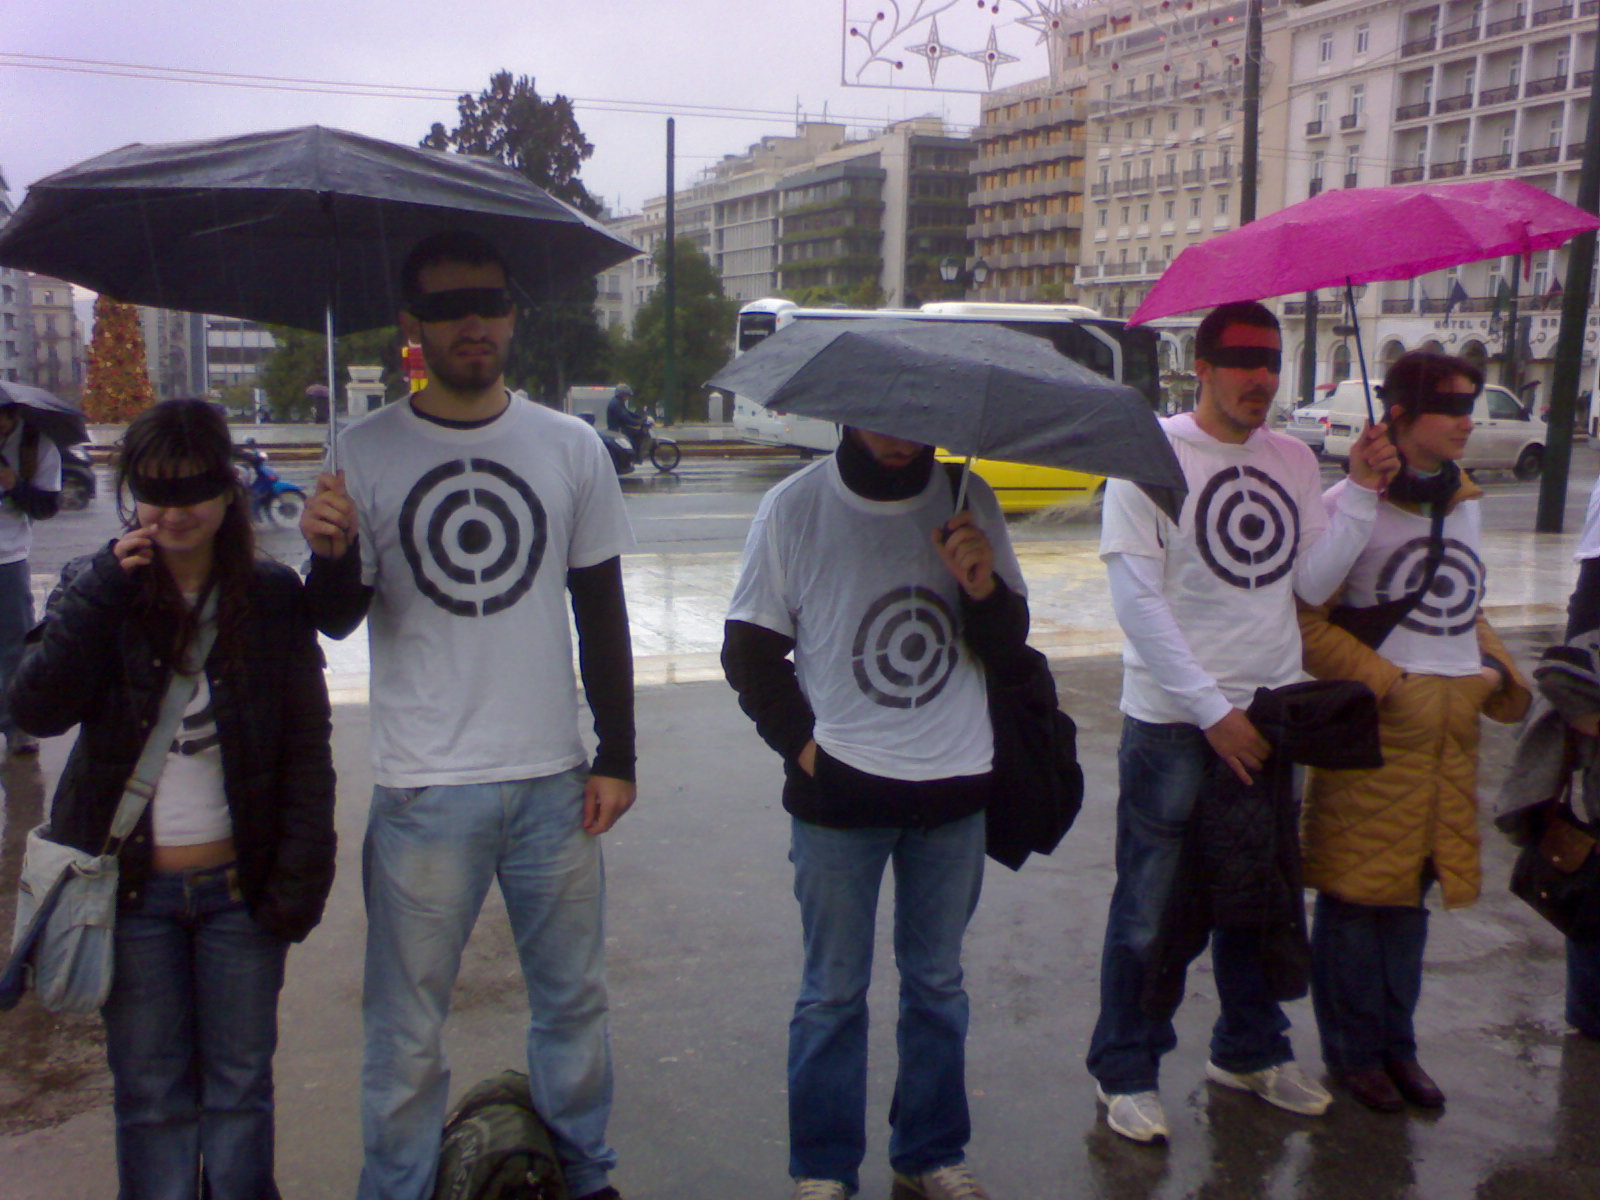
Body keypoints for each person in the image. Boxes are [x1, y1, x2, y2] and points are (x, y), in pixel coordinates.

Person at [299, 230, 636, 1200]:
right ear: (414, 325)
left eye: (488, 302)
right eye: (448, 308)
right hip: (423, 790)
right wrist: (329, 555)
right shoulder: (363, 452)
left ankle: (584, 1177)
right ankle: (396, 1188)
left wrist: (617, 753)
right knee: (404, 1031)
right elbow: (334, 619)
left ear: (512, 314)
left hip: (553, 782)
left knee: (573, 1008)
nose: (472, 323)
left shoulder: (570, 447)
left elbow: (601, 609)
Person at [1086, 301, 1401, 1143]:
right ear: (1202, 366)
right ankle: (1125, 1067)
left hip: (1271, 714)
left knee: (1259, 897)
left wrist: (1360, 492)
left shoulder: (1292, 458)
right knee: (1150, 907)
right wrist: (1211, 712)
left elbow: (1310, 582)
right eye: (1241, 360)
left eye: (1271, 359)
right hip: (1173, 723)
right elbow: (1138, 604)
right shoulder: (1148, 457)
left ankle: (1251, 1049)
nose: (1260, 376)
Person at [9, 398, 336, 1199]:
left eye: (192, 490)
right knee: (151, 1096)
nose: (172, 513)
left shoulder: (270, 596)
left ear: (226, 492)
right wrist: (99, 597)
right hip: (132, 898)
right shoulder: (98, 586)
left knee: (239, 1089)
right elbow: (36, 708)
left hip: (241, 893)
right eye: (154, 491)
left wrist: (296, 885)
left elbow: (305, 751)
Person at [723, 429, 1030, 1200]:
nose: (898, 433)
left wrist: (982, 588)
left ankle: (930, 1151)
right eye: (880, 415)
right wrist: (807, 753)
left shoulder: (968, 498)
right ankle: (824, 1167)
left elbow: (1010, 646)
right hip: (840, 796)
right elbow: (749, 652)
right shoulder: (794, 507)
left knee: (938, 985)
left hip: (955, 784)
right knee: (832, 991)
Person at [1297, 351, 1529, 1111]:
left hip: (1449, 735)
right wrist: (1389, 685)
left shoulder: (1464, 504)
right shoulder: (1347, 504)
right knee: (1356, 898)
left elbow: (1463, 604)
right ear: (1399, 416)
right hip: (1379, 730)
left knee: (1411, 898)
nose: (1468, 421)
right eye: (1451, 407)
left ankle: (1398, 1046)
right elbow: (1305, 618)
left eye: (1471, 405)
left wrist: (1492, 672)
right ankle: (1353, 1053)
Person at [0, 400, 62, 755]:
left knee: (15, 645)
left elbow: (47, 507)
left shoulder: (37, 446)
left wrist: (14, 485)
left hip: (7, 557)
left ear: (12, 415)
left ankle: (15, 726)